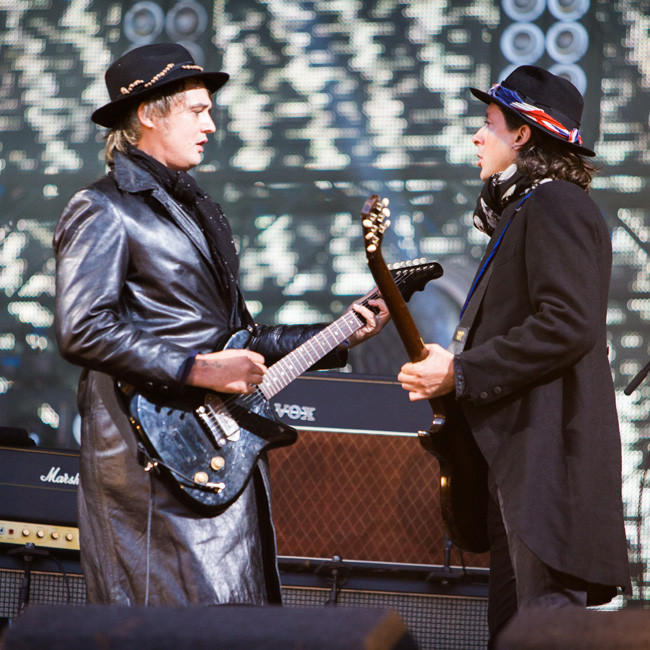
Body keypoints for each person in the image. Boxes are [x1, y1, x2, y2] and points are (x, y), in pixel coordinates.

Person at [53, 42, 388, 607]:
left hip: (213, 456)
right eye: (197, 110)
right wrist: (194, 369)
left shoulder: (198, 209)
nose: (211, 125)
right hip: (150, 460)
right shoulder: (102, 207)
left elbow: (240, 339)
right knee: (174, 631)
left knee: (236, 620)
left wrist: (338, 334)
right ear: (148, 114)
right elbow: (82, 328)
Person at [397, 66, 631, 644]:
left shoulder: (556, 205)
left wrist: (461, 371)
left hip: (546, 472)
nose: (477, 137)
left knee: (541, 634)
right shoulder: (529, 208)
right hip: (522, 470)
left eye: (489, 124)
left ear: (523, 135)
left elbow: (567, 324)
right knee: (513, 633)